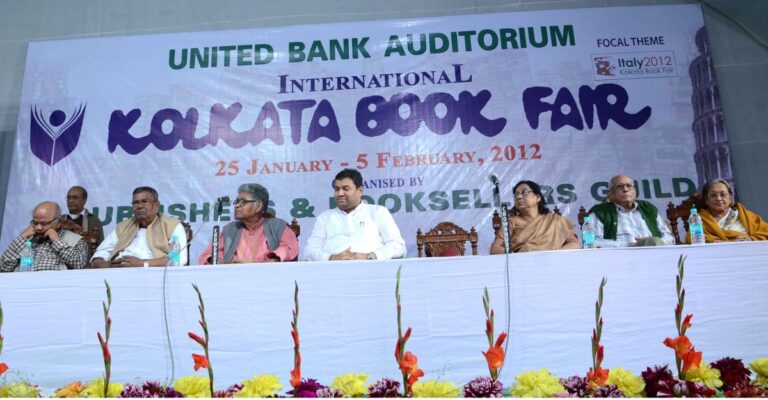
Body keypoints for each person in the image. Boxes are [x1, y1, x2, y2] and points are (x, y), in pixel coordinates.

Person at [305, 169, 406, 261]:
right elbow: (309, 252)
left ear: (360, 190)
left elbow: (398, 246)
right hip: (333, 272)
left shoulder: (378, 212)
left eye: (346, 189)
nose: (340, 193)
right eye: (336, 189)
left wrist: (370, 256)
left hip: (373, 271)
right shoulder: (325, 217)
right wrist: (331, 257)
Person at [198, 183, 299, 264]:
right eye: (237, 202)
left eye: (242, 202)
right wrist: (217, 261)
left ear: (258, 206)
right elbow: (206, 255)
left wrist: (274, 259)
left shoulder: (278, 226)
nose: (237, 206)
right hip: (232, 279)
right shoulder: (230, 230)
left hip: (268, 277)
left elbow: (289, 248)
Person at [91, 187, 187, 268]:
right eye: (135, 203)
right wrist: (108, 265)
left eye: (144, 202)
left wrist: (142, 264)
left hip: (153, 274)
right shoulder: (123, 226)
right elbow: (99, 254)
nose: (139, 206)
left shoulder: (172, 225)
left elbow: (178, 259)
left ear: (157, 205)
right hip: (118, 272)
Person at [490, 180, 580, 253]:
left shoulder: (554, 220)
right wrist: (516, 257)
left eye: (524, 193)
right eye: (516, 194)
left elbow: (575, 243)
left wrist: (555, 254)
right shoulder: (511, 222)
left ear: (538, 197)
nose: (519, 197)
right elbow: (494, 249)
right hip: (522, 266)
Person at [588, 174, 675, 247]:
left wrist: (656, 242)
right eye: (619, 186)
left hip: (655, 254)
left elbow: (669, 237)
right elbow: (590, 242)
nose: (625, 189)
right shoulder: (599, 212)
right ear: (610, 193)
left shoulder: (648, 208)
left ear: (634, 191)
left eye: (629, 186)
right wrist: (629, 245)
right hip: (619, 259)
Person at [1, 201, 88, 272]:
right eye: (35, 223)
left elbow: (79, 264)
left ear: (58, 223)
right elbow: (4, 266)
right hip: (23, 286)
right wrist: (22, 236)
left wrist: (56, 241)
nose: (38, 228)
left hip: (54, 288)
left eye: (43, 224)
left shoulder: (75, 240)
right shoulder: (27, 239)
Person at [688, 178, 768, 242]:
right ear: (706, 200)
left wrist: (750, 239)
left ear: (730, 198)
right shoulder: (700, 219)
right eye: (713, 195)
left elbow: (765, 231)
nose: (718, 199)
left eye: (723, 194)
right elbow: (690, 237)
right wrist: (718, 242)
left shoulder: (745, 215)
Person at [61, 185, 105, 253]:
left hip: (86, 261)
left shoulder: (93, 220)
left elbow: (100, 246)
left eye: (75, 198)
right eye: (68, 198)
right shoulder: (59, 220)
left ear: (84, 200)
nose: (70, 201)